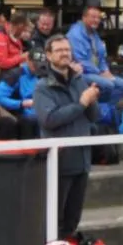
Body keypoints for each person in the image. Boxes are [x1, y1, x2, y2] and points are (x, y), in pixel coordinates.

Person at [35, 34, 103, 233]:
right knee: (55, 218)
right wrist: (81, 103)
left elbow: (93, 116)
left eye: (67, 49)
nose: (65, 53)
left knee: (73, 218)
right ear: (49, 55)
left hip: (82, 159)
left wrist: (92, 100)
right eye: (59, 50)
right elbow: (49, 119)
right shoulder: (42, 87)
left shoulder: (79, 80)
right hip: (60, 161)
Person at [67, 3, 123, 115]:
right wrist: (100, 72)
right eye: (93, 17)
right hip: (82, 73)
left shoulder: (94, 34)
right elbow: (80, 61)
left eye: (98, 18)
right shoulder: (75, 34)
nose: (96, 20)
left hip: (97, 72)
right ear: (84, 17)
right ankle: (95, 111)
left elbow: (101, 57)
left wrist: (105, 70)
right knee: (108, 85)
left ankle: (103, 110)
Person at [0, 48, 46, 138]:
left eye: (40, 65)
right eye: (35, 64)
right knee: (30, 121)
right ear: (28, 60)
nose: (37, 68)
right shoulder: (14, 75)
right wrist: (21, 104)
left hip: (40, 113)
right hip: (20, 115)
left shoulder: (44, 74)